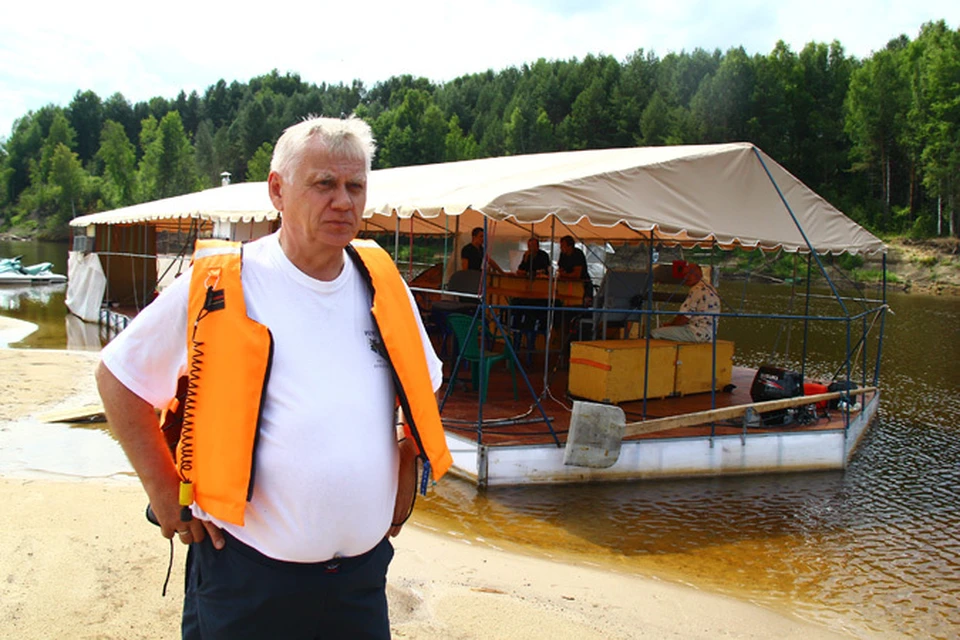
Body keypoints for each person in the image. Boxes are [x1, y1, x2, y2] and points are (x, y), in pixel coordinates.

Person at [95, 116, 452, 640]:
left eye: (355, 186)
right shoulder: (223, 283)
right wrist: (165, 491)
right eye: (324, 184)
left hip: (359, 584)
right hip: (247, 581)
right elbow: (118, 377)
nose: (344, 201)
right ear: (278, 190)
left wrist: (405, 450)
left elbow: (427, 381)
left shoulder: (383, 284)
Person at [651, 261, 720, 342]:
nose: (686, 277)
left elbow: (684, 318)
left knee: (654, 333)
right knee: (670, 332)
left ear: (699, 274)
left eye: (689, 274)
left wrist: (669, 325)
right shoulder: (710, 288)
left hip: (696, 332)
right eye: (684, 275)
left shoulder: (696, 290)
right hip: (709, 334)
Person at [557, 235, 593, 306]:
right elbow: (560, 270)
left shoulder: (578, 254)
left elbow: (577, 274)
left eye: (563, 245)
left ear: (570, 246)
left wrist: (565, 275)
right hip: (567, 286)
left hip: (582, 285)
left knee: (579, 304)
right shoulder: (562, 255)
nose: (561, 248)